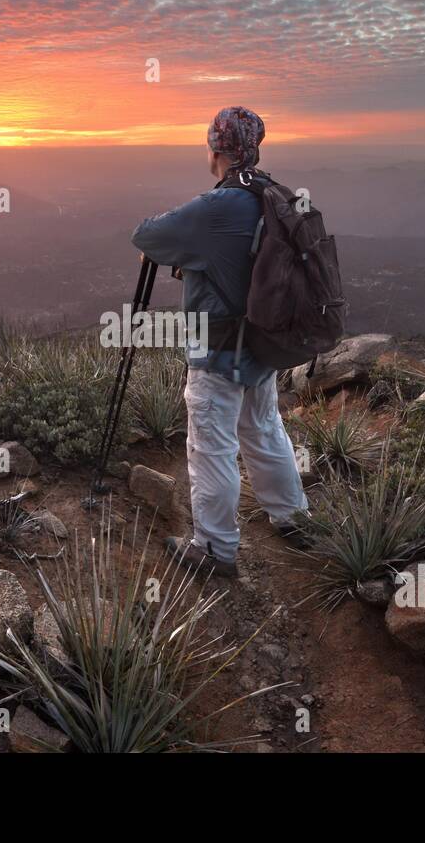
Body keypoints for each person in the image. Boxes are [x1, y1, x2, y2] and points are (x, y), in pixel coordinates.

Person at [131, 106, 308, 577]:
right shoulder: (274, 195)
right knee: (264, 429)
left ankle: (214, 550)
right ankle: (291, 517)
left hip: (218, 350)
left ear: (216, 148)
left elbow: (146, 235)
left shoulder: (217, 206)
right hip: (263, 345)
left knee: (210, 447)